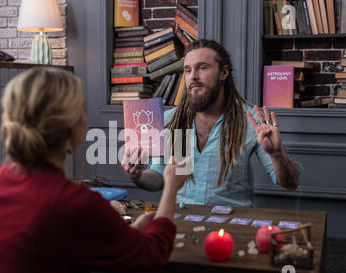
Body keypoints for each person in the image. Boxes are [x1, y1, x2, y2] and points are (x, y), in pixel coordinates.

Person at [0, 67, 191, 273]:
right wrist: (171, 186)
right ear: (76, 126)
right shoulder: (76, 204)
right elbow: (151, 257)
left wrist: (128, 235)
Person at [122, 39, 302, 207]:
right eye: (188, 70)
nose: (193, 77)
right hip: (181, 222)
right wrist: (137, 176)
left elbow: (290, 183)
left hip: (232, 226)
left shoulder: (253, 121)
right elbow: (159, 177)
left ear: (223, 72)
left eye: (202, 68)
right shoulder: (170, 120)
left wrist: (277, 154)